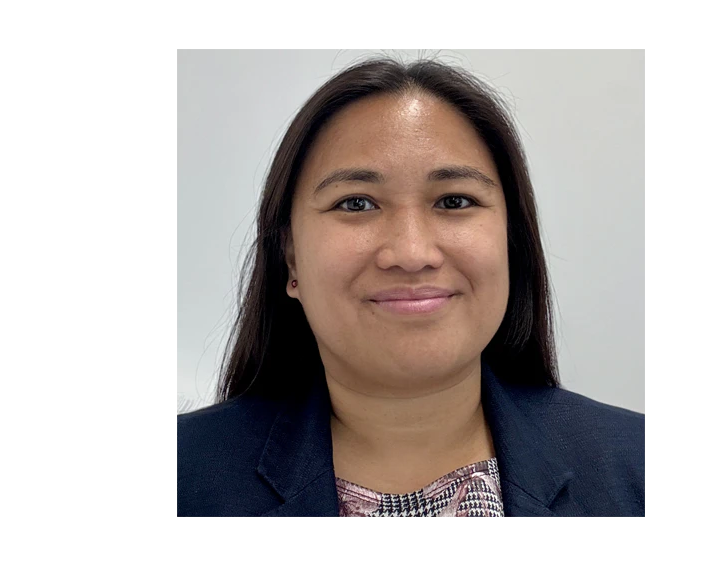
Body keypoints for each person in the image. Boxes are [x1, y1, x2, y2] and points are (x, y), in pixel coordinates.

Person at [175, 57, 646, 519]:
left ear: (511, 241)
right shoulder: (187, 474)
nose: (412, 252)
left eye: (455, 201)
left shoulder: (633, 464)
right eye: (356, 203)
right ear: (291, 256)